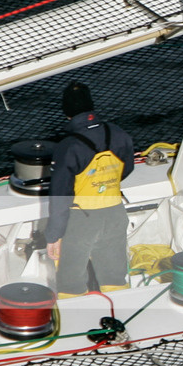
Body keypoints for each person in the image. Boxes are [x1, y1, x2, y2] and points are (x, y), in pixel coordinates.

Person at [46, 81, 136, 295]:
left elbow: (60, 196)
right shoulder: (118, 133)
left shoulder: (68, 146)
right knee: (114, 278)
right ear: (91, 106)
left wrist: (53, 236)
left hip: (82, 220)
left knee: (71, 283)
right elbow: (127, 168)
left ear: (67, 113)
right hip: (115, 213)